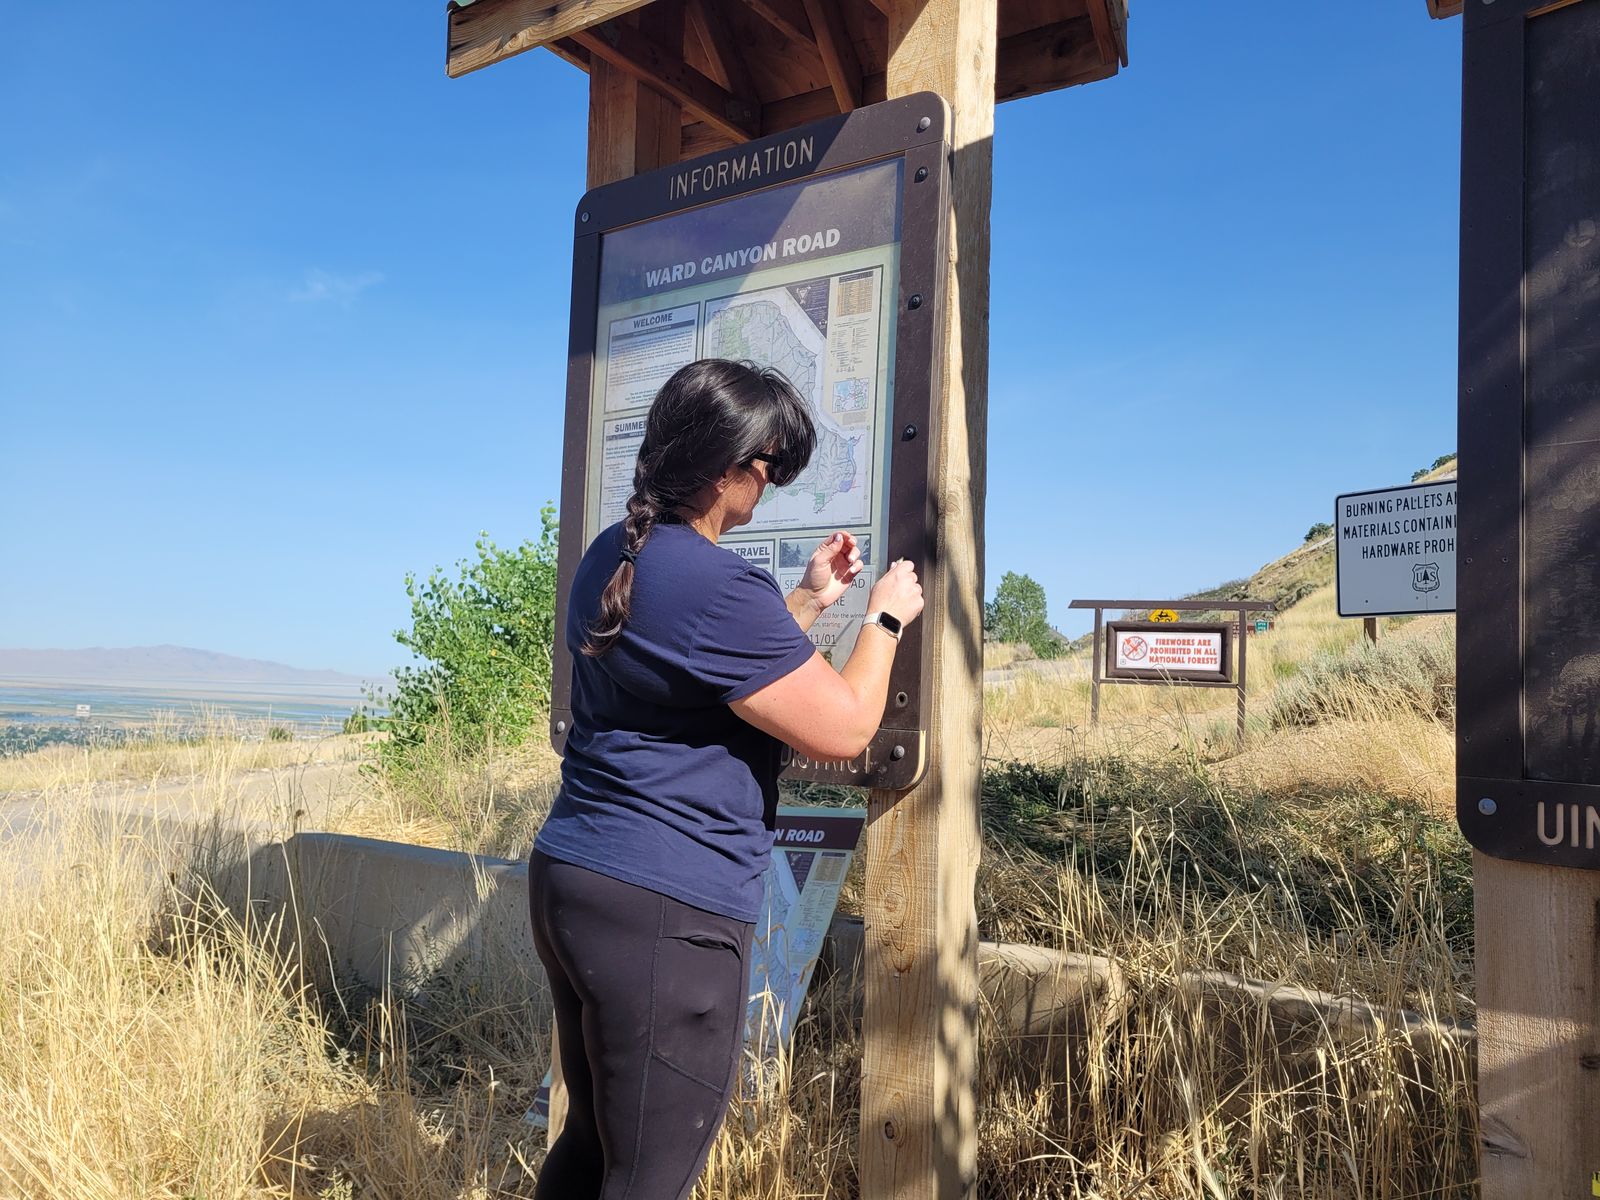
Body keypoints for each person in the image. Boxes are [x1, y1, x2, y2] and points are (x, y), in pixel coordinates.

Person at [528, 358, 924, 1200]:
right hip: (667, 907)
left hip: (576, 877)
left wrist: (811, 601)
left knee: (594, 1145)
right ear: (724, 466)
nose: (771, 486)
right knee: (652, 1177)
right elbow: (845, 725)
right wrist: (886, 615)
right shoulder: (713, 584)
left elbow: (708, 675)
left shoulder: (618, 553)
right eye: (770, 467)